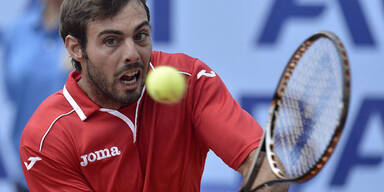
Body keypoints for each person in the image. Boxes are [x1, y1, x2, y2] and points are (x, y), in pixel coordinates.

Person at [19, 0, 290, 191]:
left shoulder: (190, 79)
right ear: (76, 48)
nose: (132, 54)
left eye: (141, 35)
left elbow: (265, 166)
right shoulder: (46, 139)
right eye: (111, 41)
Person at [1, 0, 67, 191]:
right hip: (26, 172)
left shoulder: (91, 33)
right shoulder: (15, 31)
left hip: (75, 171)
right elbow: (13, 95)